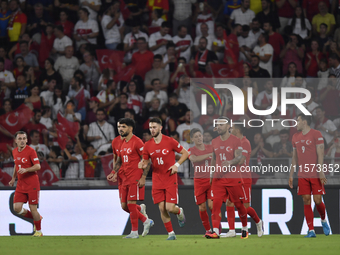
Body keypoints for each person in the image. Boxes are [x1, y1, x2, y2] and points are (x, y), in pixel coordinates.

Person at [139, 117, 189, 240]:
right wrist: (142, 165)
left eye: (154, 127)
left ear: (161, 128)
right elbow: (145, 162)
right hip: (157, 180)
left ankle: (179, 212)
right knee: (162, 208)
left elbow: (186, 153)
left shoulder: (170, 141)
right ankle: (171, 233)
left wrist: (177, 165)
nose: (152, 130)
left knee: (170, 208)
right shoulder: (147, 145)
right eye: (150, 127)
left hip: (170, 178)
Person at [107, 118, 154, 238]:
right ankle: (146, 220)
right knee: (124, 206)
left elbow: (147, 160)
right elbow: (119, 160)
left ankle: (134, 232)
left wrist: (143, 177)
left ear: (130, 128)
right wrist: (114, 172)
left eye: (123, 126)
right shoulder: (121, 142)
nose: (120, 129)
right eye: (119, 127)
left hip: (135, 176)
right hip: (124, 177)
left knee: (131, 204)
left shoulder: (137, 142)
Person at [205, 117, 248, 239]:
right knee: (215, 204)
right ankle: (215, 232)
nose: (218, 126)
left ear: (229, 126)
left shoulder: (236, 141)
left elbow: (239, 157)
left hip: (233, 177)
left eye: (221, 124)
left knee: (239, 205)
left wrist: (230, 162)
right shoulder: (214, 141)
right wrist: (211, 174)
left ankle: (244, 228)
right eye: (217, 124)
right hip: (219, 178)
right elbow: (214, 159)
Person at [289, 114, 331, 238]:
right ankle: (311, 230)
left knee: (318, 200)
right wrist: (291, 174)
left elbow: (321, 153)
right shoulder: (295, 137)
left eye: (298, 121)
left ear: (305, 122)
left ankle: (323, 220)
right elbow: (294, 158)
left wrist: (321, 171)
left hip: (315, 173)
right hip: (302, 174)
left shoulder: (316, 134)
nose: (296, 123)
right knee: (306, 200)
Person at [225, 123, 264, 238]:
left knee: (245, 207)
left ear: (237, 130)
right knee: (229, 202)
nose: (230, 130)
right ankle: (232, 231)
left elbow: (241, 161)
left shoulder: (245, 143)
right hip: (233, 177)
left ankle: (258, 222)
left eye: (231, 129)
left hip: (244, 178)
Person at [9, 131, 43, 237]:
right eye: (20, 139)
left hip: (32, 183)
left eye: (24, 138)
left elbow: (38, 166)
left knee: (33, 209)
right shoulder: (14, 151)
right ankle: (37, 218)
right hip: (20, 184)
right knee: (16, 208)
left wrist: (27, 169)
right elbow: (16, 164)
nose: (22, 141)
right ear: (16, 141)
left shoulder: (31, 151)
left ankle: (39, 231)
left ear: (27, 140)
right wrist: (13, 177)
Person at [189, 128, 214, 235]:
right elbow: (194, 159)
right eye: (196, 137)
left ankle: (217, 227)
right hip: (199, 182)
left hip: (211, 180)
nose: (199, 138)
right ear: (192, 139)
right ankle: (208, 230)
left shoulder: (211, 147)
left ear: (203, 136)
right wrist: (209, 156)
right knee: (202, 207)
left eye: (200, 135)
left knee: (212, 206)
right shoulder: (191, 150)